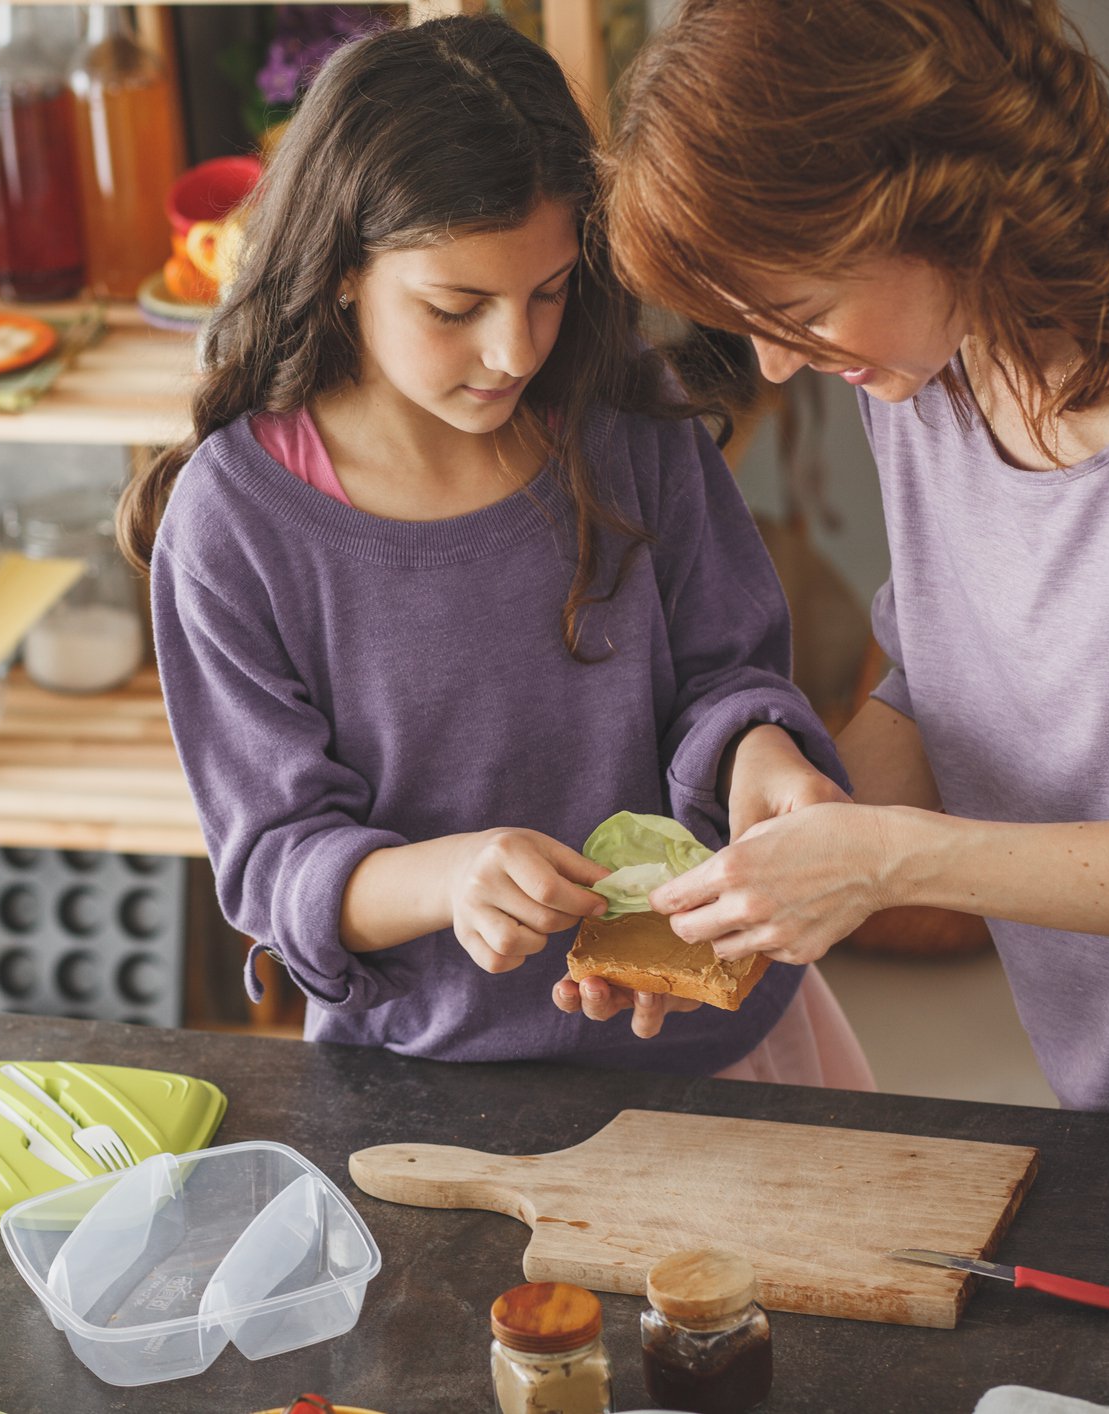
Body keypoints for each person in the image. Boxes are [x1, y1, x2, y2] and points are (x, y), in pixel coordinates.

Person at [119, 14, 873, 1086]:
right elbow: (278, 856)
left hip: (715, 1044)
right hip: (430, 1077)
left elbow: (725, 677)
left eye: (551, 291)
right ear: (341, 271)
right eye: (456, 306)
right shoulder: (236, 524)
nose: (515, 348)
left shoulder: (628, 423)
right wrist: (450, 879)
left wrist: (766, 758)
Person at [602, 0, 1109, 1124]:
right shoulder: (935, 357)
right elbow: (948, 677)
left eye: (800, 310)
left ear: (932, 202)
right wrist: (737, 893)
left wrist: (890, 864)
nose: (779, 370)